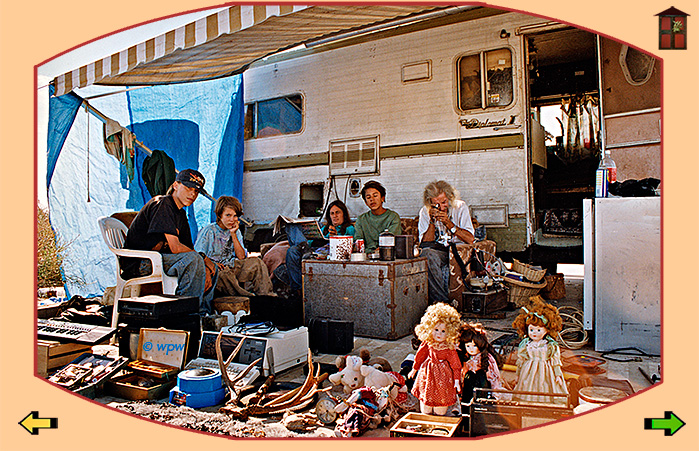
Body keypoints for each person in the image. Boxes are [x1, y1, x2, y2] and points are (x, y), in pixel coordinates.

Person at [121, 169, 216, 314]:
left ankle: (204, 315)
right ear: (176, 185)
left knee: (213, 267)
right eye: (188, 188)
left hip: (161, 259)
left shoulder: (181, 213)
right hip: (140, 262)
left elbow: (187, 247)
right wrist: (202, 259)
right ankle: (185, 316)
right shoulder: (163, 203)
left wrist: (206, 266)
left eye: (196, 192)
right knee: (195, 261)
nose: (192, 194)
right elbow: (176, 248)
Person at [195, 196, 276, 298]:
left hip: (231, 266)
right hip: (215, 270)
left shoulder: (236, 231)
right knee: (224, 274)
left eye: (235, 216)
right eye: (228, 215)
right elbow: (199, 255)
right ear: (219, 215)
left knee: (257, 263)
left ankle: (266, 297)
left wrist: (233, 234)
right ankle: (247, 298)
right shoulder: (209, 231)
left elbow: (241, 257)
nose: (232, 220)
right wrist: (212, 264)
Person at [417, 180, 475, 304]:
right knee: (427, 254)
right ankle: (441, 302)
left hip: (456, 251)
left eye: (444, 202)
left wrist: (449, 223)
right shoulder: (424, 211)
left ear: (450, 198)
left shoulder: (460, 207)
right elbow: (424, 244)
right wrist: (432, 221)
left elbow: (470, 238)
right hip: (439, 251)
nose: (441, 207)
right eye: (436, 204)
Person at [284, 200, 355, 293]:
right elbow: (312, 241)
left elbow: (349, 244)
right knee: (292, 249)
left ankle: (300, 289)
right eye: (332, 213)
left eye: (337, 212)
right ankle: (298, 289)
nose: (335, 216)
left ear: (344, 214)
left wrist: (336, 236)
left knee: (299, 251)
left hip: (326, 251)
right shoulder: (325, 228)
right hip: (311, 247)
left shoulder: (349, 228)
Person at [511, 296, 568, 404]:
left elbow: (555, 362)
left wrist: (558, 375)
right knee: (527, 387)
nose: (534, 333)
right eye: (531, 329)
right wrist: (518, 375)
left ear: (546, 330)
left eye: (538, 330)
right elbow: (521, 361)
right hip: (528, 371)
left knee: (545, 386)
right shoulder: (526, 344)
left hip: (545, 370)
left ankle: (544, 402)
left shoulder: (550, 345)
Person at [408, 302, 462, 416]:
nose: (439, 334)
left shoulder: (449, 348)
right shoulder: (428, 343)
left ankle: (439, 416)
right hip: (428, 372)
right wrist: (414, 368)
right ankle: (426, 415)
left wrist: (457, 380)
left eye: (443, 331)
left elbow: (455, 364)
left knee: (440, 407)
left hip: (443, 375)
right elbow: (420, 355)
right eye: (436, 329)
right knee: (426, 405)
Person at [457, 322, 505, 404]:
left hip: (482, 386)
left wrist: (494, 393)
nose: (471, 349)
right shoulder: (466, 358)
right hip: (468, 387)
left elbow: (493, 377)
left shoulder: (486, 358)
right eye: (468, 346)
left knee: (480, 374)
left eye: (474, 346)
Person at [353, 180, 402, 253]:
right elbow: (358, 242)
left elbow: (391, 242)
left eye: (375, 196)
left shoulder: (393, 217)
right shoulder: (361, 219)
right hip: (366, 257)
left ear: (382, 198)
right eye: (368, 197)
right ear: (366, 202)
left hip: (387, 255)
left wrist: (377, 252)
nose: (372, 199)